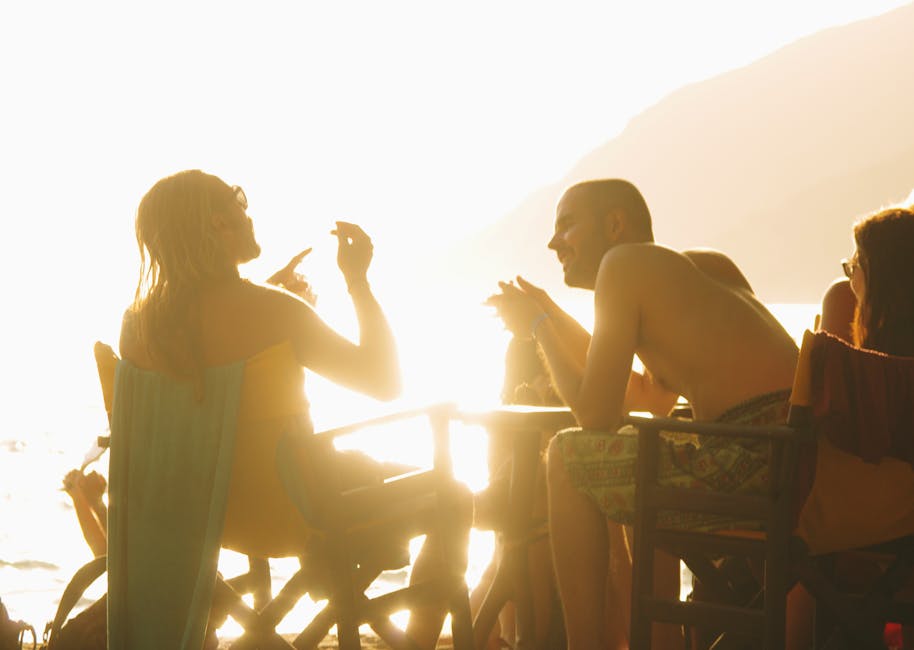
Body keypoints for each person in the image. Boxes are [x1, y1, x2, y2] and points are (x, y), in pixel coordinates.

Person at [114, 169, 468, 649]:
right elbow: (385, 382)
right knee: (456, 494)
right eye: (239, 204)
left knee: (337, 476)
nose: (248, 214)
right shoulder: (276, 312)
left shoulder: (137, 328)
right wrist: (358, 281)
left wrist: (274, 297)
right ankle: (418, 644)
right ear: (219, 224)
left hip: (200, 516)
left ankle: (286, 613)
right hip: (294, 514)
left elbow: (200, 401)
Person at [486, 178, 799, 650]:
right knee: (640, 449)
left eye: (566, 225)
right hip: (796, 460)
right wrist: (547, 312)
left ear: (615, 224)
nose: (553, 243)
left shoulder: (621, 265)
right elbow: (649, 396)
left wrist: (536, 328)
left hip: (752, 463)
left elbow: (594, 416)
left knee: (569, 456)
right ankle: (657, 639)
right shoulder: (701, 269)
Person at [789, 205, 914, 649]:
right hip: (897, 527)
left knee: (794, 532)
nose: (850, 278)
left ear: (878, 275)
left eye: (855, 266)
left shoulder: (849, 371)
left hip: (842, 521)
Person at [470, 336, 565, 649]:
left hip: (537, 555)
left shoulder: (561, 431)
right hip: (515, 553)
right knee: (519, 538)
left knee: (526, 532)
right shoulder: (501, 424)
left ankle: (513, 638)